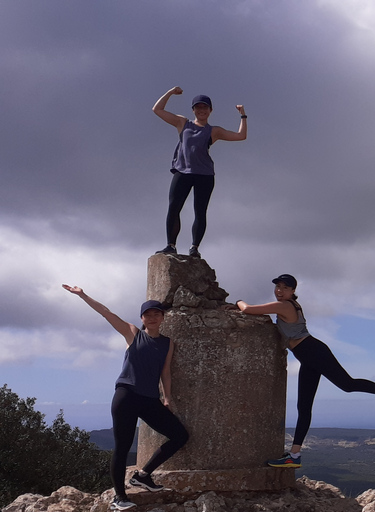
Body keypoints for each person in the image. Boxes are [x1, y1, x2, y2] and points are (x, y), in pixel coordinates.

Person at [235, 274, 375, 468]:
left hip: (314, 352)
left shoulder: (285, 305)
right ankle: (294, 456)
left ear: (293, 291)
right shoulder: (290, 305)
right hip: (307, 357)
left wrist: (237, 302)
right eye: (277, 286)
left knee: (347, 384)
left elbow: (249, 309)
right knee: (304, 407)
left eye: (284, 287)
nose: (279, 290)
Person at [62, 285, 189, 511]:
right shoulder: (132, 333)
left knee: (180, 436)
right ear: (142, 318)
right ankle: (119, 496)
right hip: (126, 396)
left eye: (156, 314)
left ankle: (143, 475)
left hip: (150, 399)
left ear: (162, 317)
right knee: (122, 446)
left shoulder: (168, 343)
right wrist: (82, 295)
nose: (152, 317)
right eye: (147, 314)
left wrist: (167, 397)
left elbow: (165, 372)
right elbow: (106, 312)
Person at [152, 86, 247, 258]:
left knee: (200, 211)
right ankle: (170, 246)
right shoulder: (183, 123)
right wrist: (171, 92)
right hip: (183, 171)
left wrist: (243, 115)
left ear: (210, 110)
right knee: (174, 208)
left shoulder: (214, 131)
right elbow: (157, 110)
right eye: (198, 107)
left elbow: (241, 136)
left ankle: (194, 248)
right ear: (193, 109)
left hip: (204, 175)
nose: (201, 110)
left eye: (205, 107)